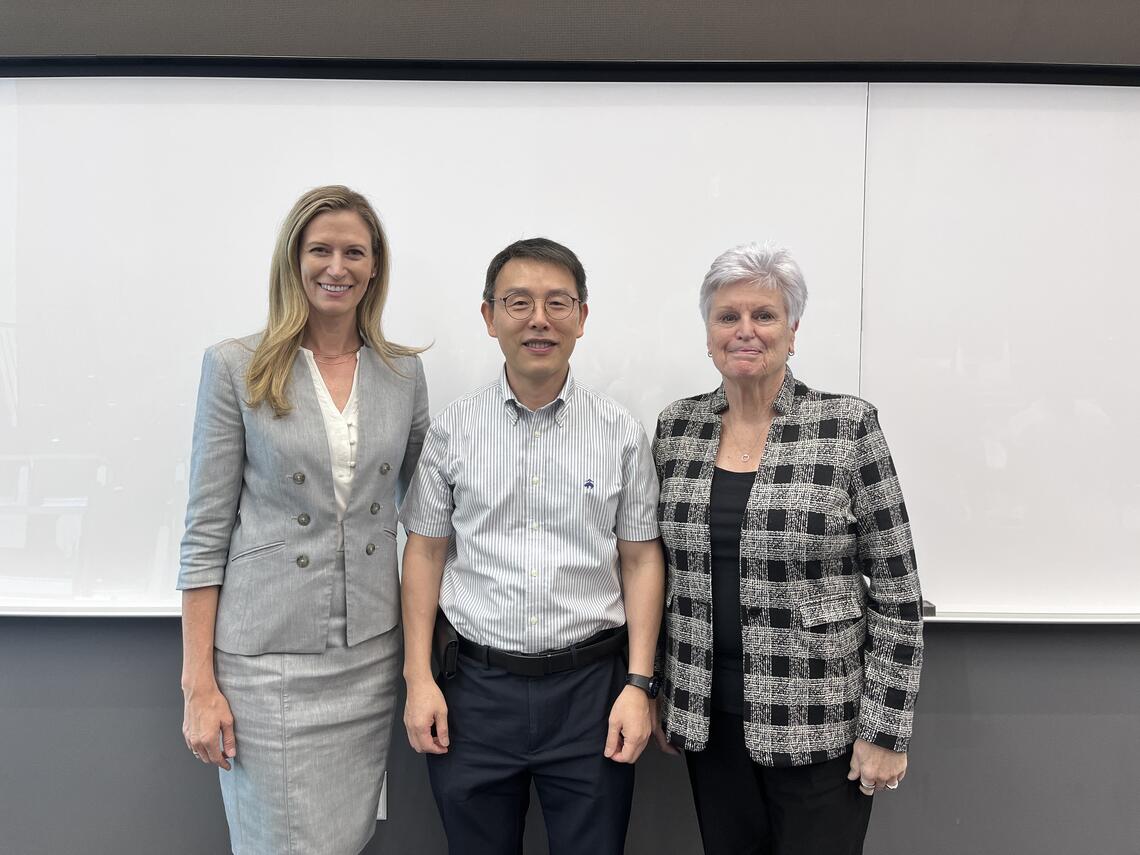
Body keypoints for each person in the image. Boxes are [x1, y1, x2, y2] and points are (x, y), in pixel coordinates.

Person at [178, 185, 429, 855]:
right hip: (267, 663)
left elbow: (431, 510)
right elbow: (204, 532)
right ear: (294, 259)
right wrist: (198, 684)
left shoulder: (403, 372)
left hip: (370, 655)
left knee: (344, 840)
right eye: (320, 249)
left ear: (375, 265)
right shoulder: (237, 366)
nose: (336, 266)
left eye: (354, 251)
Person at [651, 243, 923, 855]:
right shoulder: (677, 429)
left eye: (764, 315)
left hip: (820, 722)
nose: (744, 331)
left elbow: (899, 593)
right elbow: (663, 574)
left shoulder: (846, 426)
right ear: (708, 332)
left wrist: (887, 728)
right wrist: (666, 690)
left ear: (792, 330)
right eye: (727, 317)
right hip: (709, 720)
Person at [400, 238, 664, 855]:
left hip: (593, 695)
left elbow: (640, 557)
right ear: (489, 317)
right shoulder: (454, 429)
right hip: (473, 694)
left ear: (582, 316)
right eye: (519, 302)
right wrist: (418, 678)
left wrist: (640, 683)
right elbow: (425, 552)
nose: (539, 319)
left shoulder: (620, 432)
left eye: (557, 303)